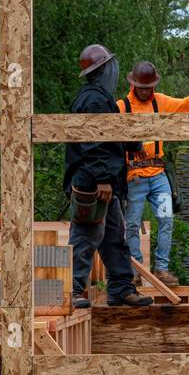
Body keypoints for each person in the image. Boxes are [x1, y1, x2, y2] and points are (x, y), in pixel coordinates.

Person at [64, 44, 153, 309]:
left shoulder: (101, 98)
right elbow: (94, 142)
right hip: (93, 183)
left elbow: (112, 136)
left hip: (107, 183)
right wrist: (102, 178)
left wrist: (132, 142)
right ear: (103, 69)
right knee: (85, 236)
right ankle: (75, 290)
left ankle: (121, 289)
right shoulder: (92, 100)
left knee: (114, 237)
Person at [117, 60, 189, 288]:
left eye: (149, 87)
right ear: (133, 84)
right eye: (141, 87)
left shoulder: (162, 102)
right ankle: (135, 270)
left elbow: (188, 104)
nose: (145, 91)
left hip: (158, 176)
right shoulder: (121, 107)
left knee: (166, 219)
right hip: (134, 176)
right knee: (132, 224)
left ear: (154, 86)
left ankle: (162, 269)